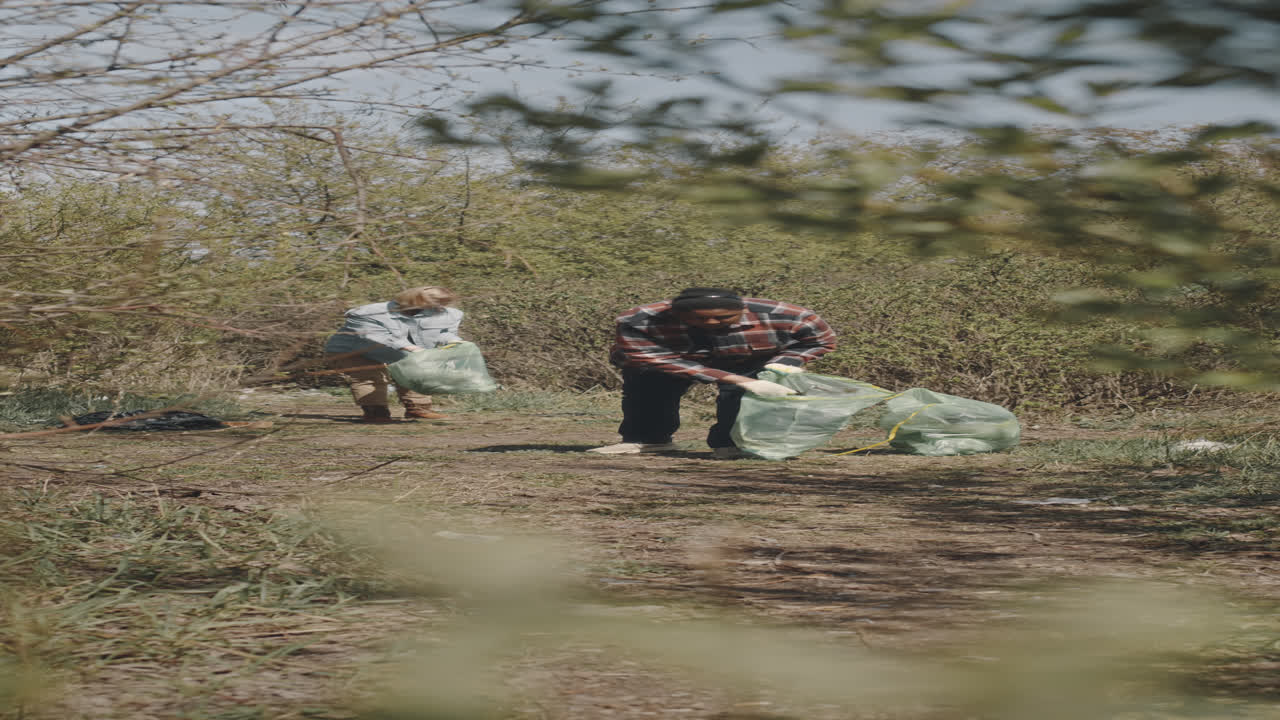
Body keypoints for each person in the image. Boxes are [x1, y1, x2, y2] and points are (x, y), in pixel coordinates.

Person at [589, 287, 837, 458]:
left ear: (742, 310)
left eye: (723, 318)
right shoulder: (638, 321)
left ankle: (732, 445)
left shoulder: (791, 317)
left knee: (742, 395)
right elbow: (649, 357)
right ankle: (649, 439)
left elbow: (821, 341)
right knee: (648, 389)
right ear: (677, 314)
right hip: (670, 359)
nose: (710, 324)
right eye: (698, 319)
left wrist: (782, 364)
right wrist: (730, 377)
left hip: (749, 356)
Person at [323, 286, 463, 423]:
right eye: (434, 304)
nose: (439, 308)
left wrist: (455, 343)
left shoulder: (448, 314)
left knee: (415, 370)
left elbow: (445, 333)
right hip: (353, 350)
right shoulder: (367, 313)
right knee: (370, 376)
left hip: (398, 351)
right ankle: (376, 412)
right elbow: (379, 337)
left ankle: (418, 409)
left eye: (442, 304)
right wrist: (415, 350)